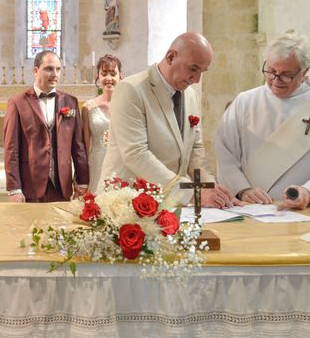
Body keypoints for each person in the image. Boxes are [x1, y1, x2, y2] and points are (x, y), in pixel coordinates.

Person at [215, 30, 310, 210]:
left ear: (305, 72)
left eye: (286, 74)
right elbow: (225, 153)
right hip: (249, 207)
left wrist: (308, 193)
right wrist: (243, 189)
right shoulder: (245, 102)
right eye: (271, 71)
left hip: (306, 212)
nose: (276, 80)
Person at [98, 32, 237, 208]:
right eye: (193, 69)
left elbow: (195, 149)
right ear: (171, 57)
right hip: (127, 202)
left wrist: (209, 188)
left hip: (168, 203)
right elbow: (136, 154)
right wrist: (192, 195)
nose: (197, 79)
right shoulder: (132, 89)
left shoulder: (190, 95)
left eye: (203, 71)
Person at [4, 50, 89, 202]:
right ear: (36, 71)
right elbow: (11, 149)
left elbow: (78, 147)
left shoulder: (71, 102)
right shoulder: (17, 103)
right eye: (49, 68)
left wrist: (82, 181)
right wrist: (14, 188)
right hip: (30, 184)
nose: (55, 74)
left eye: (58, 69)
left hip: (62, 186)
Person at [82, 54, 123, 192]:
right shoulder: (88, 108)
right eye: (104, 74)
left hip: (121, 163)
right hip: (97, 164)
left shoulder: (129, 106)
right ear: (98, 76)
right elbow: (85, 146)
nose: (109, 78)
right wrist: (82, 176)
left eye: (113, 74)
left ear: (120, 76)